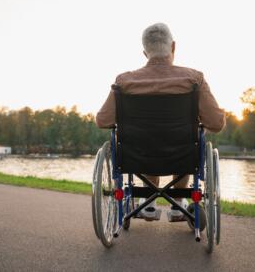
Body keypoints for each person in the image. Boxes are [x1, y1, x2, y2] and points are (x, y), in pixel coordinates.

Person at [96, 23, 225, 220]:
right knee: (193, 138)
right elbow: (216, 123)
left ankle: (148, 203)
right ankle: (179, 204)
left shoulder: (124, 82)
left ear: (145, 52)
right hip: (182, 154)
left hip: (137, 154)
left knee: (147, 140)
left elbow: (103, 120)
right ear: (173, 47)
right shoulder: (194, 80)